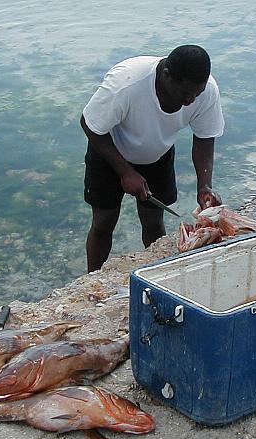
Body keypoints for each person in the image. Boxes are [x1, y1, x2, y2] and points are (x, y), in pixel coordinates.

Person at [81, 44, 225, 272]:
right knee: (103, 222)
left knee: (153, 220)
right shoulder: (126, 83)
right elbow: (90, 125)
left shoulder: (205, 91)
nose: (190, 100)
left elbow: (205, 137)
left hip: (157, 153)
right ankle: (92, 279)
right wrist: (126, 172)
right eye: (185, 93)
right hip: (109, 152)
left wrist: (204, 186)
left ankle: (158, 274)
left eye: (196, 94)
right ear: (166, 75)